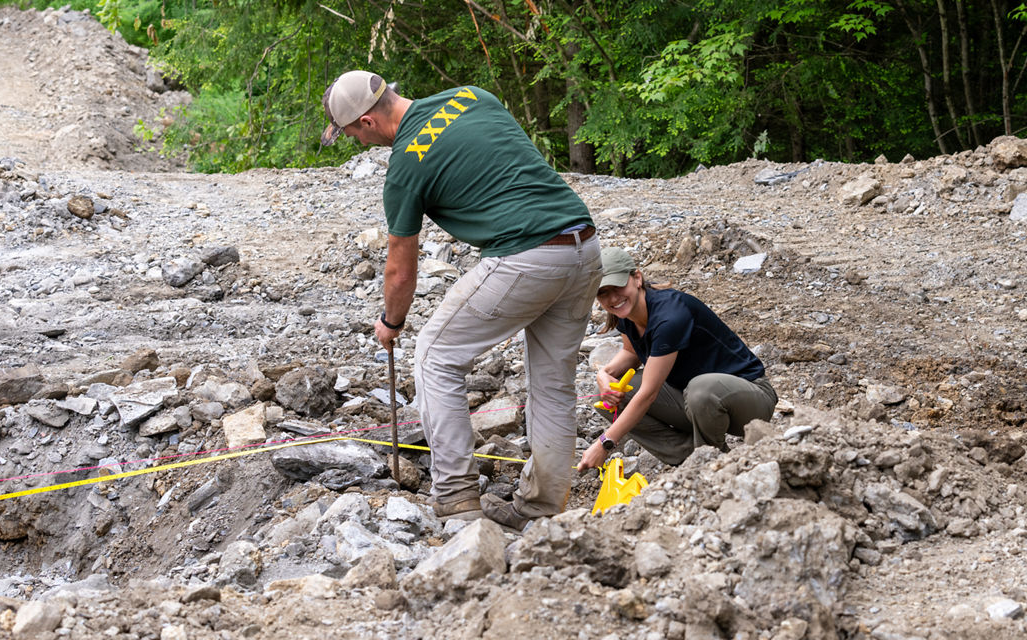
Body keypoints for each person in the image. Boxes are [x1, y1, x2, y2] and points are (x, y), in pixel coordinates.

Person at [320, 70, 601, 530]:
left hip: (526, 255)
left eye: (350, 132)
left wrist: (391, 322)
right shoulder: (471, 95)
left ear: (367, 122)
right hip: (584, 246)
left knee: (434, 355)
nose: (352, 140)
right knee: (553, 385)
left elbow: (400, 269)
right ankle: (543, 508)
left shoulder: (406, 165)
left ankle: (456, 499)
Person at [576, 247, 777, 472]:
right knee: (612, 397)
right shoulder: (627, 314)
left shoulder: (670, 316)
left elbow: (648, 395)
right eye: (603, 293)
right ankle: (697, 460)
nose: (613, 298)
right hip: (695, 400)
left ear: (637, 278)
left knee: (700, 389)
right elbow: (632, 353)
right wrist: (604, 374)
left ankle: (713, 464)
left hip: (751, 402)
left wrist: (605, 443)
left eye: (618, 286)